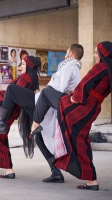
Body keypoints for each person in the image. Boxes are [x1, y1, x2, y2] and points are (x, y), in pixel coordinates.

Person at [0, 44, 84, 182]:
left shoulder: (69, 66)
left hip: (43, 103)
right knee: (40, 139)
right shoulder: (71, 68)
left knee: (12, 90)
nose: (65, 54)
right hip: (42, 103)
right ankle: (56, 172)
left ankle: (1, 122)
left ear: (72, 53)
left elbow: (61, 89)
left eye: (24, 64)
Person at [30, 41, 112, 191]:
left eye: (96, 52)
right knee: (81, 141)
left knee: (46, 92)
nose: (94, 55)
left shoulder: (101, 67)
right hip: (93, 109)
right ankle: (91, 180)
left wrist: (74, 97)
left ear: (102, 54)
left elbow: (85, 84)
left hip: (79, 108)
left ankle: (35, 124)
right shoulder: (110, 71)